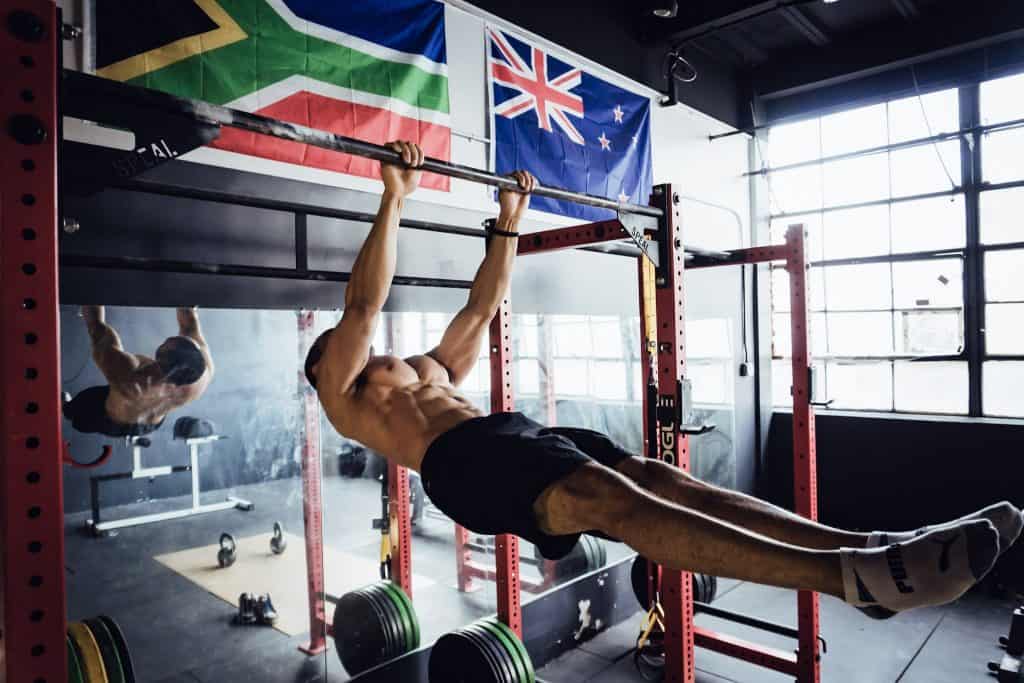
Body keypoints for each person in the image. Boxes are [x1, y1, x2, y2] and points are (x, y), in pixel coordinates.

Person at [305, 141, 1022, 618]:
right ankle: (845, 578)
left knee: (663, 479)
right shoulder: (343, 391)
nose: (358, 344)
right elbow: (363, 306)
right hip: (461, 465)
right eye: (344, 345)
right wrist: (394, 196)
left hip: (511, 434)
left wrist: (507, 225)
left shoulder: (423, 369)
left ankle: (869, 544)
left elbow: (481, 307)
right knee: (609, 499)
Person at [63, 305, 213, 437]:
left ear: (160, 358)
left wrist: (92, 290)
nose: (169, 338)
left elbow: (96, 326)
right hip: (152, 423)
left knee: (78, 414)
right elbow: (189, 325)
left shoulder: (127, 378)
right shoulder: (204, 374)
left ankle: (66, 409)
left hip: (110, 417)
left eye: (166, 343)